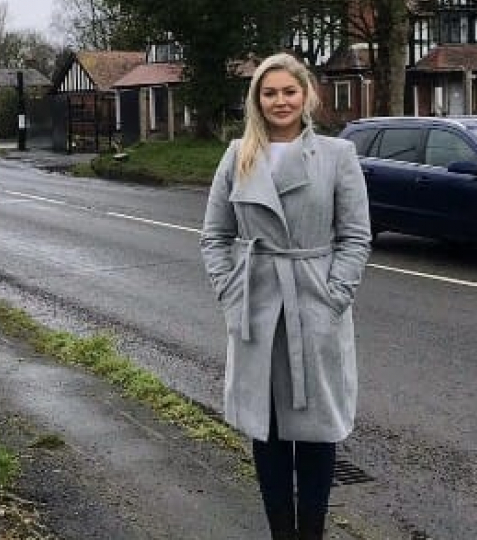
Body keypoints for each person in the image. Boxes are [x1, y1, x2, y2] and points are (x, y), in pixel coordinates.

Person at [199, 52, 371, 540]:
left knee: (317, 433)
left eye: (289, 91)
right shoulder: (238, 155)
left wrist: (335, 294)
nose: (280, 101)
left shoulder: (338, 156)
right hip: (257, 307)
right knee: (267, 430)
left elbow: (355, 236)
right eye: (269, 92)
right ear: (257, 98)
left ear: (307, 94)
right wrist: (229, 291)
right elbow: (214, 235)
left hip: (315, 302)